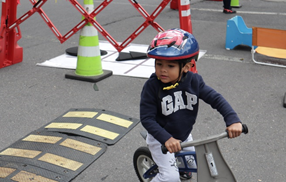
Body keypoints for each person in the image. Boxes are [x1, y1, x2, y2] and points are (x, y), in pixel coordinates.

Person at [140, 28, 242, 182]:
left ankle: (182, 169)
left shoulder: (194, 82)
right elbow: (147, 118)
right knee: (170, 177)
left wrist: (232, 120)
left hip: (184, 134)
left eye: (170, 66)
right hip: (160, 138)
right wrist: (166, 138)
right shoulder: (152, 87)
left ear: (186, 67)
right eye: (159, 64)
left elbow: (216, 99)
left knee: (199, 165)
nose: (163, 70)